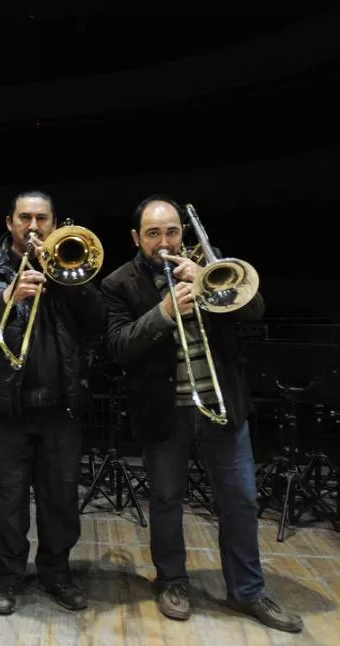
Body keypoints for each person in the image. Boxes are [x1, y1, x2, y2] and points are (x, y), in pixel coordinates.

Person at [100, 195, 302, 632]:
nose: (164, 240)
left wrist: (210, 283)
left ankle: (248, 591)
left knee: (240, 502)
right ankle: (172, 581)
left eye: (172, 231)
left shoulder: (209, 266)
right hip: (165, 414)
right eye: (153, 233)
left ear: (183, 233)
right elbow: (117, 347)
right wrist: (164, 313)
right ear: (137, 238)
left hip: (222, 408)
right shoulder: (120, 284)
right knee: (167, 501)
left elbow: (254, 309)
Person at [0, 190, 105, 615]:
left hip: (61, 407)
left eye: (42, 218)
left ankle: (57, 573)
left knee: (61, 499)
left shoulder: (70, 264)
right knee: (8, 501)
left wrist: (67, 281)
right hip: (7, 409)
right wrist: (7, 297)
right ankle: (6, 576)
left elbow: (97, 320)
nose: (34, 226)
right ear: (10, 223)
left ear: (56, 223)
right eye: (25, 217)